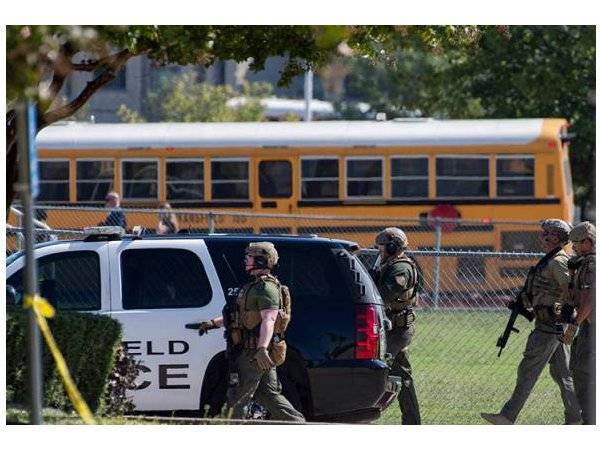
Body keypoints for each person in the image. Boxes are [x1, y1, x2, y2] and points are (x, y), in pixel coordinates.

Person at [481, 219, 581, 425]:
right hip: (550, 325)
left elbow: (571, 292)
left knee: (528, 370)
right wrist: (523, 302)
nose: (542, 236)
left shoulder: (557, 261)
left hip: (550, 327)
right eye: (543, 232)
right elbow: (544, 290)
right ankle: (576, 418)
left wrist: (562, 315)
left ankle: (508, 416)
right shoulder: (549, 259)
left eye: (547, 233)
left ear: (557, 237)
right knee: (562, 374)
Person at [198, 242, 305, 422]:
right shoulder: (254, 287)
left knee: (237, 399)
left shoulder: (266, 288)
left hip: (254, 354)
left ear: (262, 261)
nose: (246, 260)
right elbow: (241, 317)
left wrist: (262, 349)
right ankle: (299, 425)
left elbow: (269, 319)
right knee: (268, 395)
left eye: (251, 257)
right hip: (253, 352)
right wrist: (212, 323)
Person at [373, 227, 421, 425]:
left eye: (382, 247)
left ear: (393, 247)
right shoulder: (389, 265)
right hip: (392, 328)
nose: (380, 251)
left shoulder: (401, 268)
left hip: (398, 329)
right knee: (402, 376)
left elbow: (384, 296)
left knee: (378, 369)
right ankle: (412, 422)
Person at [562, 221, 595, 424]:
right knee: (579, 368)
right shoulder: (582, 263)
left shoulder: (592, 264)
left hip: (591, 327)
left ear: (588, 242)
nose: (573, 247)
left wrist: (574, 324)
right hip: (587, 325)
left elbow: (590, 298)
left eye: (576, 242)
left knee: (584, 371)